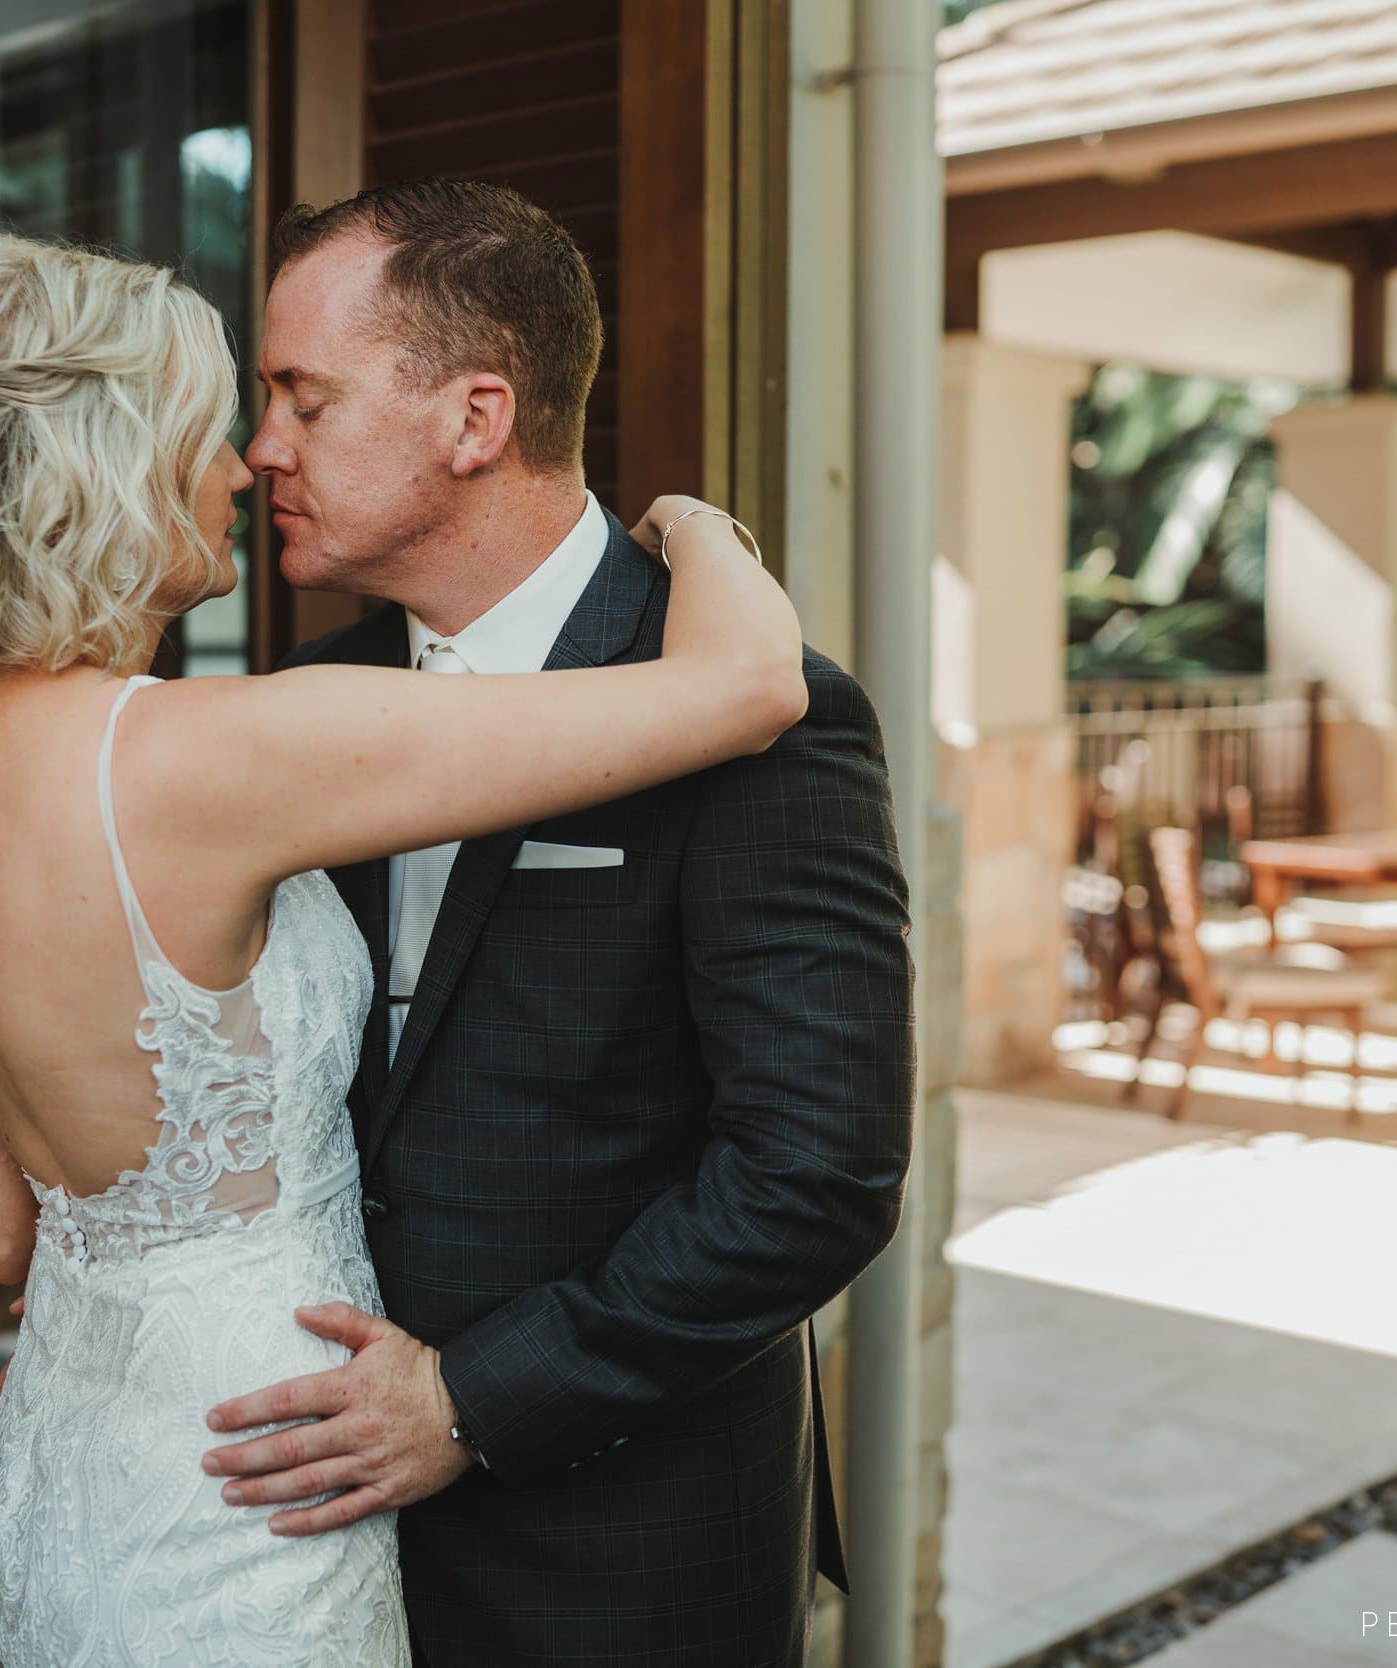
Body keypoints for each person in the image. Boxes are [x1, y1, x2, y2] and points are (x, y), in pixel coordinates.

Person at [0, 229, 807, 1668]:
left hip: (74, 1459)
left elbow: (1, 1230)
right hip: (260, 1476)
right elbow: (747, 683)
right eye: (209, 430)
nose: (245, 466)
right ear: (114, 470)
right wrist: (696, 523)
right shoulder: (209, 753)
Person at [198, 179, 918, 1666]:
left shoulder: (753, 707)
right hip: (317, 1532)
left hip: (626, 1541)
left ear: (474, 419)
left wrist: (468, 1401)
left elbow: (817, 1174)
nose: (263, 447)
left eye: (305, 401)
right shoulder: (311, 698)